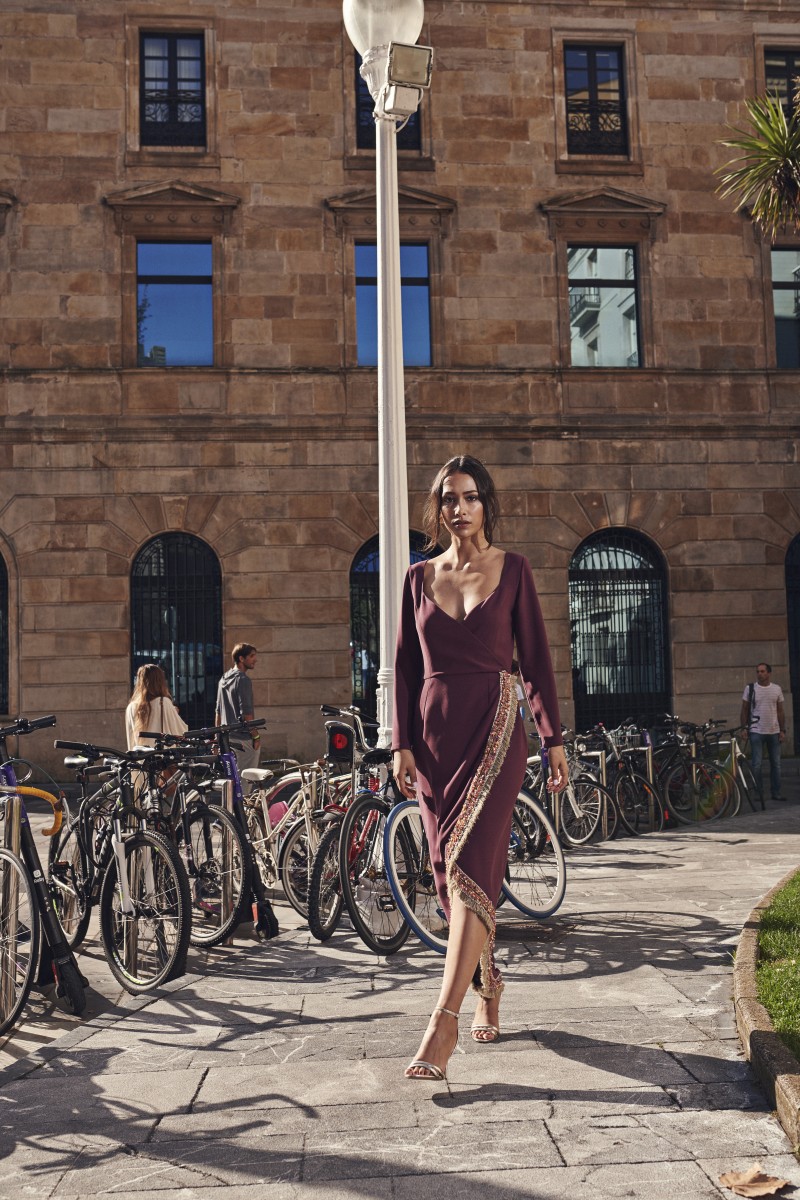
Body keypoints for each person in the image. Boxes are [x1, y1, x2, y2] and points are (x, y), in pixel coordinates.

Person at [392, 454, 568, 1081]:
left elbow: (538, 663)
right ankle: (489, 982)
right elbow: (405, 668)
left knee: (472, 866)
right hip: (436, 738)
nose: (459, 507)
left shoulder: (514, 570)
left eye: (469, 496)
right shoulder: (417, 578)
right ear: (438, 509)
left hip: (497, 731)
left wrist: (552, 740)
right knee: (448, 877)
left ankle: (443, 1022)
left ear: (486, 504)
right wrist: (401, 743)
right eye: (448, 498)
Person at [740, 662, 786, 802]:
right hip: (756, 730)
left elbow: (780, 711)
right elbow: (745, 709)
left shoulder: (776, 689)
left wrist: (782, 730)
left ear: (769, 673)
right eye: (758, 671)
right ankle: (758, 792)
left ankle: (776, 792)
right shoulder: (750, 688)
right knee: (757, 764)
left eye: (762, 671)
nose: (759, 674)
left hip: (773, 730)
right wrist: (744, 728)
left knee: (776, 764)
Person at [216, 642, 261, 771]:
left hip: (226, 739)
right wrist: (256, 736)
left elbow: (218, 712)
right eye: (252, 656)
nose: (255, 660)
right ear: (241, 658)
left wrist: (217, 738)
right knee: (245, 780)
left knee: (231, 782)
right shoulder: (242, 680)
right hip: (243, 740)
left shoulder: (224, 678)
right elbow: (246, 713)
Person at [125, 663, 188, 749]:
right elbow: (182, 731)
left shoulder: (131, 707)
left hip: (141, 758)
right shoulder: (163, 702)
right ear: (160, 681)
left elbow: (131, 738)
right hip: (161, 758)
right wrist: (174, 713)